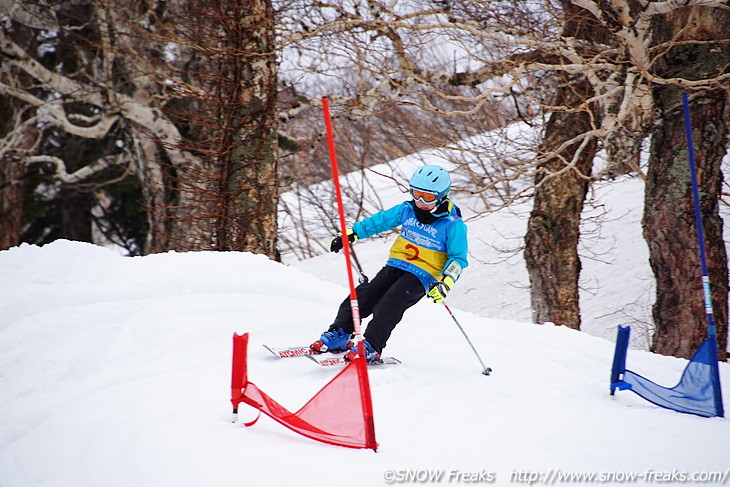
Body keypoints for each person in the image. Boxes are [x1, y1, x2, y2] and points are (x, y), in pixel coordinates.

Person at [309, 164, 468, 362]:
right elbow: (380, 221)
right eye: (416, 193)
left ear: (441, 196)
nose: (420, 201)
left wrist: (446, 283)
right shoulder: (406, 210)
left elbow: (458, 259)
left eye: (427, 197)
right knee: (364, 294)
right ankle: (341, 333)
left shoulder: (453, 225)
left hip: (423, 275)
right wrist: (352, 233)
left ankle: (372, 346)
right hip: (396, 265)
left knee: (390, 303)